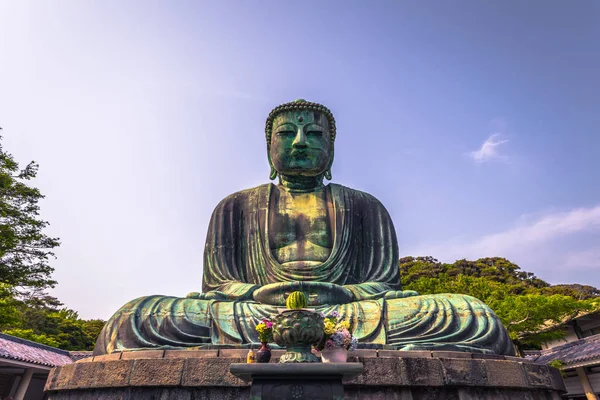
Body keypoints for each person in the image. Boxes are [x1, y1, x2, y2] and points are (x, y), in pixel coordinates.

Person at [94, 100, 514, 356]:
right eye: (287, 133)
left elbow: (384, 284)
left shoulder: (365, 206)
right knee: (137, 318)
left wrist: (344, 293)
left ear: (331, 148)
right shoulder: (235, 207)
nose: (300, 141)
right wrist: (256, 293)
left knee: (470, 317)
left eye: (313, 133)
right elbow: (218, 284)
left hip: (349, 313)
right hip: (255, 313)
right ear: (269, 146)